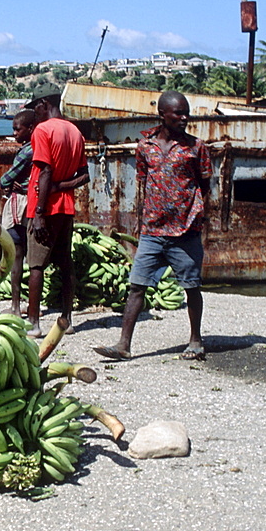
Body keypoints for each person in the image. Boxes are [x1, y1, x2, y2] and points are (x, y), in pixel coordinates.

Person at [93, 91, 213, 361]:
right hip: (152, 231)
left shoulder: (197, 147)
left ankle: (195, 340)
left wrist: (198, 216)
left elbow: (205, 186)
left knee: (191, 286)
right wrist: (141, 222)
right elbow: (144, 183)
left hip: (185, 230)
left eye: (186, 113)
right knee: (137, 286)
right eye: (178, 113)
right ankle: (124, 345)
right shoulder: (145, 147)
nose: (184, 118)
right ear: (162, 115)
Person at [24, 85, 90, 337]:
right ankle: (67, 318)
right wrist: (63, 186)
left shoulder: (43, 130)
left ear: (43, 104)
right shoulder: (75, 131)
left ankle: (33, 322)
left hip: (45, 208)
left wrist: (39, 211)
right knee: (64, 262)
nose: (34, 113)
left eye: (35, 108)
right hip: (66, 207)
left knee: (36, 265)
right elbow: (84, 175)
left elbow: (45, 170)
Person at [0, 108, 36, 315]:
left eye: (18, 130)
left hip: (21, 204)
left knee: (16, 252)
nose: (15, 134)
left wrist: (10, 184)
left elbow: (5, 180)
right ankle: (32, 306)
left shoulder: (28, 151)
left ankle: (15, 306)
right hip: (34, 202)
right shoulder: (41, 147)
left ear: (30, 128)